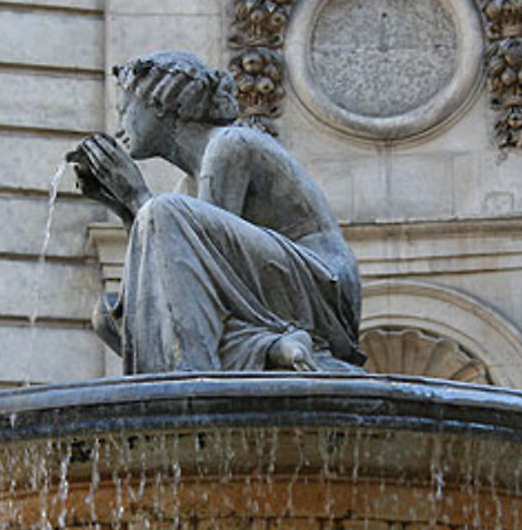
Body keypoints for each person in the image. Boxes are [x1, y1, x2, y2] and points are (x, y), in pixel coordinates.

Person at [67, 51, 364, 374]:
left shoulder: (230, 145)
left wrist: (137, 195)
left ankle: (194, 376)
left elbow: (214, 268)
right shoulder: (186, 188)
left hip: (323, 284)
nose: (120, 127)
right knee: (114, 316)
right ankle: (268, 349)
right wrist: (123, 207)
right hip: (269, 283)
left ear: (162, 104)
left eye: (125, 111)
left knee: (163, 209)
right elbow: (180, 280)